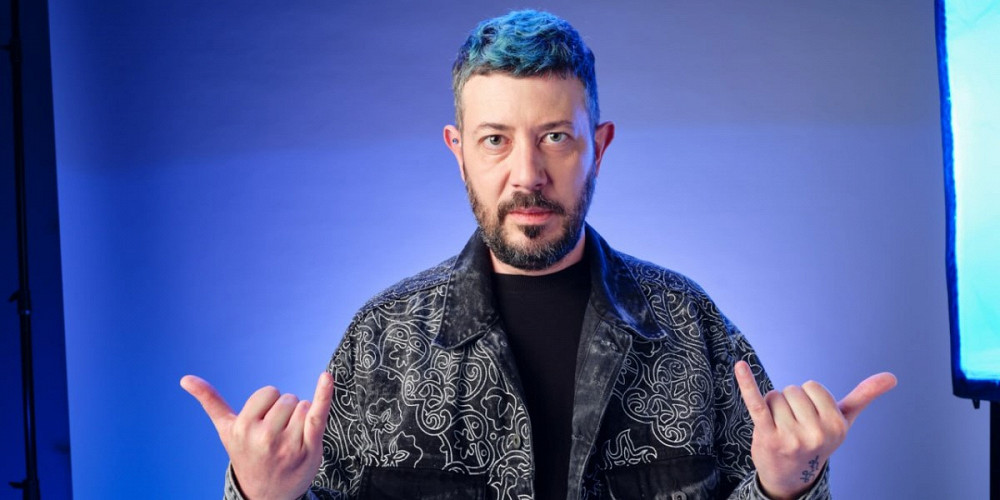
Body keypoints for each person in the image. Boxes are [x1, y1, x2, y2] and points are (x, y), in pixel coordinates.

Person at [181, 9, 897, 500]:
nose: (527, 175)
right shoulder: (382, 342)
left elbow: (774, 481)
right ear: (459, 152)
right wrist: (262, 496)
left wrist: (786, 487)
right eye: (495, 140)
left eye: (556, 137)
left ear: (599, 147)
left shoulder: (689, 325)